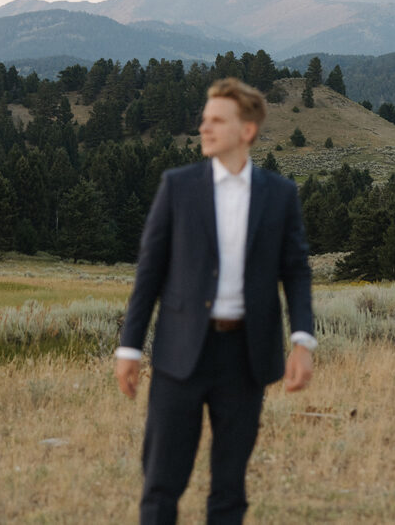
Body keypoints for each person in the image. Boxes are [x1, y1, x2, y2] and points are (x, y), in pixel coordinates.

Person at [114, 77, 316, 524]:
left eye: (217, 121)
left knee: (229, 489)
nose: (204, 129)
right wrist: (129, 347)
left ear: (247, 131)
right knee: (161, 484)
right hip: (179, 354)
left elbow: (296, 270)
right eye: (204, 120)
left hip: (245, 358)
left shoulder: (280, 195)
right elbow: (149, 273)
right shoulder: (177, 186)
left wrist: (303, 340)